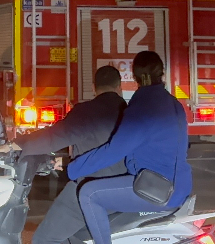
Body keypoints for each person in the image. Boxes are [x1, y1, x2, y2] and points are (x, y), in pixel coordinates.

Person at [0, 66, 127, 244]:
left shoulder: (87, 111)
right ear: (120, 87)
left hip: (90, 188)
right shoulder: (131, 112)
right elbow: (107, 150)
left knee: (44, 239)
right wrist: (65, 162)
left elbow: (53, 137)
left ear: (94, 88)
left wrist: (13, 145)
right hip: (126, 187)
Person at [70, 52, 191, 244]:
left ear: (134, 77)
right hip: (180, 185)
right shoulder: (174, 104)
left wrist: (73, 168)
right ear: (162, 74)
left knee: (89, 193)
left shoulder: (141, 108)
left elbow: (113, 151)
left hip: (157, 188)